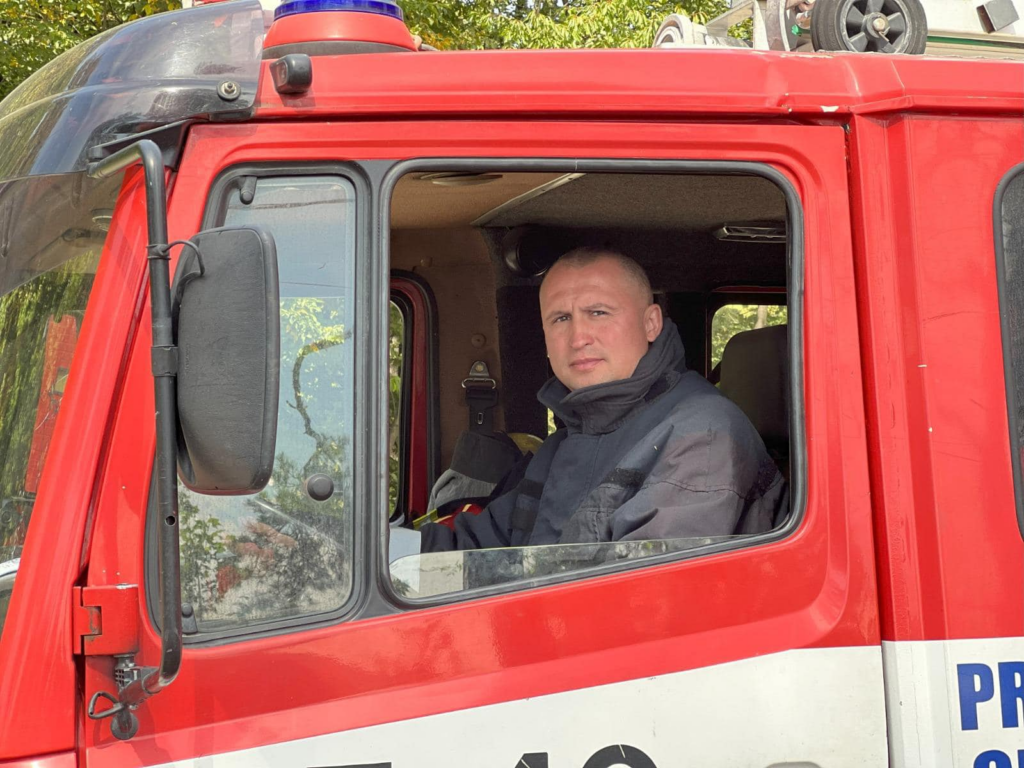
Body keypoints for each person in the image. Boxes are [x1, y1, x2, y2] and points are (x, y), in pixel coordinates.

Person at [419, 248, 786, 552]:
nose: (578, 337)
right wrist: (395, 556)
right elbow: (480, 550)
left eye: (598, 313)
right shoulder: (562, 445)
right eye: (560, 318)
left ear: (651, 323)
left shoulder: (702, 436)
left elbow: (642, 597)